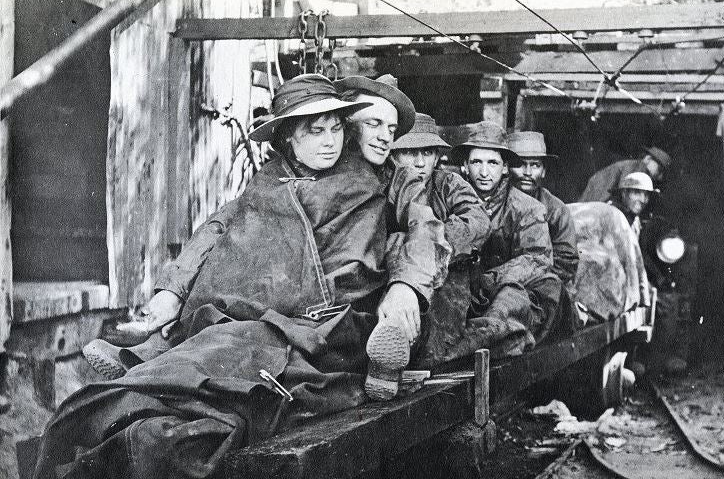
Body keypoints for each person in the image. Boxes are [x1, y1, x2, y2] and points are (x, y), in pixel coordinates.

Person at [43, 74, 449, 479]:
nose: (377, 137)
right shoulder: (271, 179)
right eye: (371, 123)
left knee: (234, 342)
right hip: (259, 302)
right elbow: (223, 227)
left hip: (326, 314)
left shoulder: (387, 179)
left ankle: (146, 368)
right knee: (219, 329)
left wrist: (406, 288)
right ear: (290, 137)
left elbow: (425, 230)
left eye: (389, 129)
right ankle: (151, 359)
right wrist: (171, 290)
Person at [388, 113, 492, 366]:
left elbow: (477, 221)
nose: (421, 163)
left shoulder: (449, 183)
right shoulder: (384, 185)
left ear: (437, 157)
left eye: (428, 153)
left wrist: (430, 243)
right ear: (394, 155)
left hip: (446, 280)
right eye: (411, 153)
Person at [452, 121, 561, 355]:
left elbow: (536, 260)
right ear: (464, 166)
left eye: (492, 163)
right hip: (468, 295)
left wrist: (488, 282)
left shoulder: (528, 208)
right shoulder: (451, 202)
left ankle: (479, 342)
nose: (483, 172)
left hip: (515, 292)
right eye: (476, 162)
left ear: (504, 168)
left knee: (509, 304)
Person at [507, 131, 579, 286]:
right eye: (519, 164)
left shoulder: (557, 211)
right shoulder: (496, 202)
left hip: (538, 286)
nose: (527, 172)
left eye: (535, 165)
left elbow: (566, 262)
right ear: (506, 167)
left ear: (544, 171)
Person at [579, 146, 671, 203]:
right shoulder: (636, 167)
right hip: (600, 192)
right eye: (659, 169)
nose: (660, 176)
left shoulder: (637, 167)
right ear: (648, 159)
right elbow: (624, 191)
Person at [607, 171, 658, 237]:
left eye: (646, 195)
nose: (643, 200)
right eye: (637, 193)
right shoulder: (608, 214)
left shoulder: (636, 221)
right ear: (624, 193)